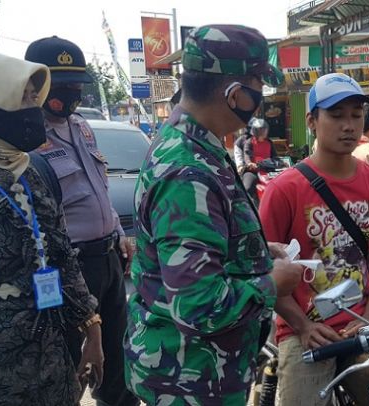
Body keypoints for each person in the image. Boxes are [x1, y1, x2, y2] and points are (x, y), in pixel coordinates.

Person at [123, 25, 303, 405]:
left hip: (196, 370)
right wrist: (272, 283)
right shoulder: (188, 171)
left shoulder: (191, 142)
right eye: (257, 85)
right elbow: (199, 305)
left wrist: (253, 251)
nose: (259, 98)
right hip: (191, 380)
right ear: (234, 93)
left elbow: (198, 243)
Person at [259, 73, 369, 405]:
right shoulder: (284, 189)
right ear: (312, 121)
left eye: (356, 115)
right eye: (336, 115)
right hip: (306, 330)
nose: (349, 125)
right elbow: (261, 273)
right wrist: (302, 326)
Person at [24, 36, 139, 406]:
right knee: (70, 365)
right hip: (68, 269)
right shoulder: (25, 138)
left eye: (77, 84)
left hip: (108, 260)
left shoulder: (82, 127)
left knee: (118, 364)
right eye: (63, 85)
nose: (73, 93)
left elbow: (98, 190)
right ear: (36, 83)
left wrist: (119, 233)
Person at [0, 51, 103, 405]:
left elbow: (60, 254)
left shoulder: (33, 169)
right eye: (22, 97)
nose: (32, 109)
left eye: (33, 99)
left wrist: (92, 329)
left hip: (49, 351)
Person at [242, 117, 277, 201]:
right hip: (253, 170)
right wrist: (249, 163)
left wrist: (278, 162)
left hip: (268, 170)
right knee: (247, 188)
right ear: (255, 131)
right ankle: (247, 207)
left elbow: (275, 156)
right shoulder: (249, 142)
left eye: (264, 130)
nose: (263, 132)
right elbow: (247, 155)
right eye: (260, 130)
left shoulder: (269, 142)